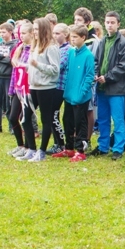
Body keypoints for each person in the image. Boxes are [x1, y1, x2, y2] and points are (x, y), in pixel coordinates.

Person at [89, 11, 125, 160]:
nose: (110, 25)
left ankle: (118, 148)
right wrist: (96, 74)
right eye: (107, 22)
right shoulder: (102, 41)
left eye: (113, 22)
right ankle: (103, 146)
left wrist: (107, 77)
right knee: (102, 119)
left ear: (118, 24)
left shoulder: (123, 43)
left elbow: (124, 65)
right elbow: (96, 61)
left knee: (118, 119)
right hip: (102, 88)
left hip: (116, 88)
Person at [17, 17, 61, 162]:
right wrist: (23, 65)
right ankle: (31, 149)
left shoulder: (51, 47)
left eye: (36, 29)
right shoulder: (35, 46)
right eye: (33, 29)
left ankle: (41, 151)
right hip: (33, 86)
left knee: (45, 119)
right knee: (25, 118)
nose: (34, 32)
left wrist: (37, 65)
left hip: (46, 88)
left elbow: (55, 70)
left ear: (43, 30)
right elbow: (32, 65)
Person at [53, 25, 96, 162]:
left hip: (80, 97)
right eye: (71, 37)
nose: (72, 40)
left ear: (83, 38)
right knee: (67, 121)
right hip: (69, 94)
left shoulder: (88, 55)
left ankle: (80, 150)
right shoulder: (71, 52)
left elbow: (89, 76)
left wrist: (81, 93)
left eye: (75, 37)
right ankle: (69, 148)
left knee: (80, 123)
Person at [73, 7, 99, 149]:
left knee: (88, 109)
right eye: (75, 20)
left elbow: (95, 61)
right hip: (76, 80)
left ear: (88, 22)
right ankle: (77, 136)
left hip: (89, 80)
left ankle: (87, 139)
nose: (76, 22)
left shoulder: (93, 40)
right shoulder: (75, 37)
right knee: (77, 109)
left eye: (79, 20)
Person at [7, 22, 33, 158]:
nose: (20, 36)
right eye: (19, 33)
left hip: (28, 89)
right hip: (18, 87)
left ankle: (29, 147)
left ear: (31, 34)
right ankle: (20, 145)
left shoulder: (34, 50)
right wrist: (11, 89)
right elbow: (15, 71)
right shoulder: (20, 48)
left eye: (23, 33)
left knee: (25, 118)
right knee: (12, 117)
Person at [46, 23, 70, 155]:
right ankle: (57, 142)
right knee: (50, 115)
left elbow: (58, 66)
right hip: (51, 85)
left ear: (65, 34)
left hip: (60, 86)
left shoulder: (68, 50)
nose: (54, 36)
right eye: (53, 33)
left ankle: (60, 143)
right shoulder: (54, 48)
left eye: (57, 33)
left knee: (53, 115)